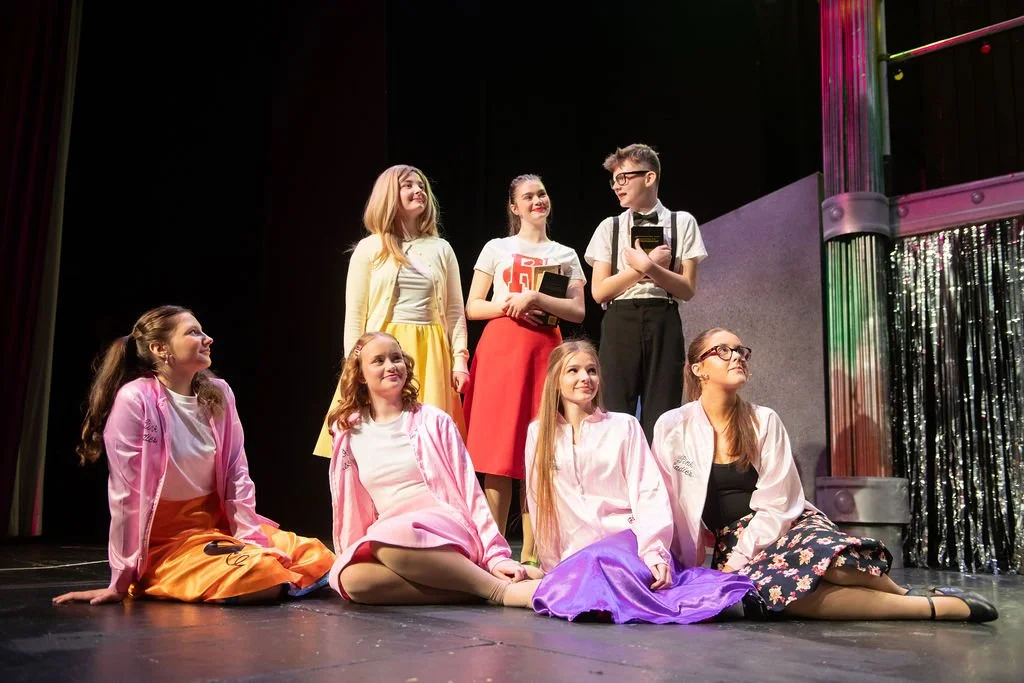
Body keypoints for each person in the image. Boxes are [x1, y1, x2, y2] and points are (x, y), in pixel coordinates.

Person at [652, 327, 999, 622]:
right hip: (734, 542)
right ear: (699, 369)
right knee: (784, 595)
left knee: (828, 561)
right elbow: (667, 502)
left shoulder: (763, 420)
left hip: (786, 524)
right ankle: (934, 607)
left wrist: (741, 557)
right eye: (723, 351)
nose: (737, 356)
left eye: (741, 350)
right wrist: (682, 567)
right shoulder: (672, 426)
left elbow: (778, 502)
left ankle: (916, 596)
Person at [54, 306, 334, 606]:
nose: (208, 338)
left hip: (218, 527)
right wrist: (121, 580)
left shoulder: (219, 393)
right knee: (261, 574)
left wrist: (251, 540)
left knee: (319, 558)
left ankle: (267, 574)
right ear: (160, 348)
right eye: (193, 332)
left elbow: (237, 473)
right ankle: (162, 578)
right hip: (168, 543)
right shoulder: (136, 400)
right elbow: (127, 496)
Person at [525, 340, 753, 623]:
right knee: (578, 579)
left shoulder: (623, 426)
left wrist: (655, 553)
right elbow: (540, 504)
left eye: (592, 370)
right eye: (573, 371)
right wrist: (553, 568)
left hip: (627, 543)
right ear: (556, 380)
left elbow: (649, 492)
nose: (585, 378)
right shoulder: (539, 434)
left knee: (599, 565)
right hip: (577, 553)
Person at [327, 332, 541, 607]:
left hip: (442, 527)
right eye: (378, 361)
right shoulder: (348, 431)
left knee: (388, 542)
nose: (391, 366)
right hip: (391, 532)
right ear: (360, 376)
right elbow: (351, 506)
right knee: (353, 580)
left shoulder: (433, 420)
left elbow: (470, 491)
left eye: (396, 358)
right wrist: (352, 551)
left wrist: (495, 555)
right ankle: (478, 586)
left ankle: (501, 593)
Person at [462, 174, 585, 564]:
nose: (538, 200)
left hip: (545, 354)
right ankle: (494, 552)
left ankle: (535, 554)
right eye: (528, 196)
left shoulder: (565, 254)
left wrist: (538, 298)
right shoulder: (497, 248)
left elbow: (579, 310)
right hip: (501, 350)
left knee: (539, 452)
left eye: (542, 194)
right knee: (498, 454)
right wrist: (512, 303)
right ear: (514, 207)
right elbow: (472, 306)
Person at [313, 165, 469, 457]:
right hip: (383, 348)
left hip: (431, 349)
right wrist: (355, 363)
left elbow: (454, 311)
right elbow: (355, 315)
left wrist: (459, 359)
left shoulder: (441, 248)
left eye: (421, 185)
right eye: (408, 185)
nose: (418, 191)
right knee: (379, 435)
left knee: (427, 443)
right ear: (388, 196)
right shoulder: (370, 248)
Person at [584, 144, 707, 441]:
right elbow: (599, 291)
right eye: (614, 180)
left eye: (624, 178)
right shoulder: (609, 227)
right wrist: (644, 267)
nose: (617, 185)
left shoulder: (682, 222)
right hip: (620, 317)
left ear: (649, 178)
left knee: (662, 412)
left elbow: (687, 289)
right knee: (614, 410)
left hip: (663, 316)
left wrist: (653, 271)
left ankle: (659, 485)